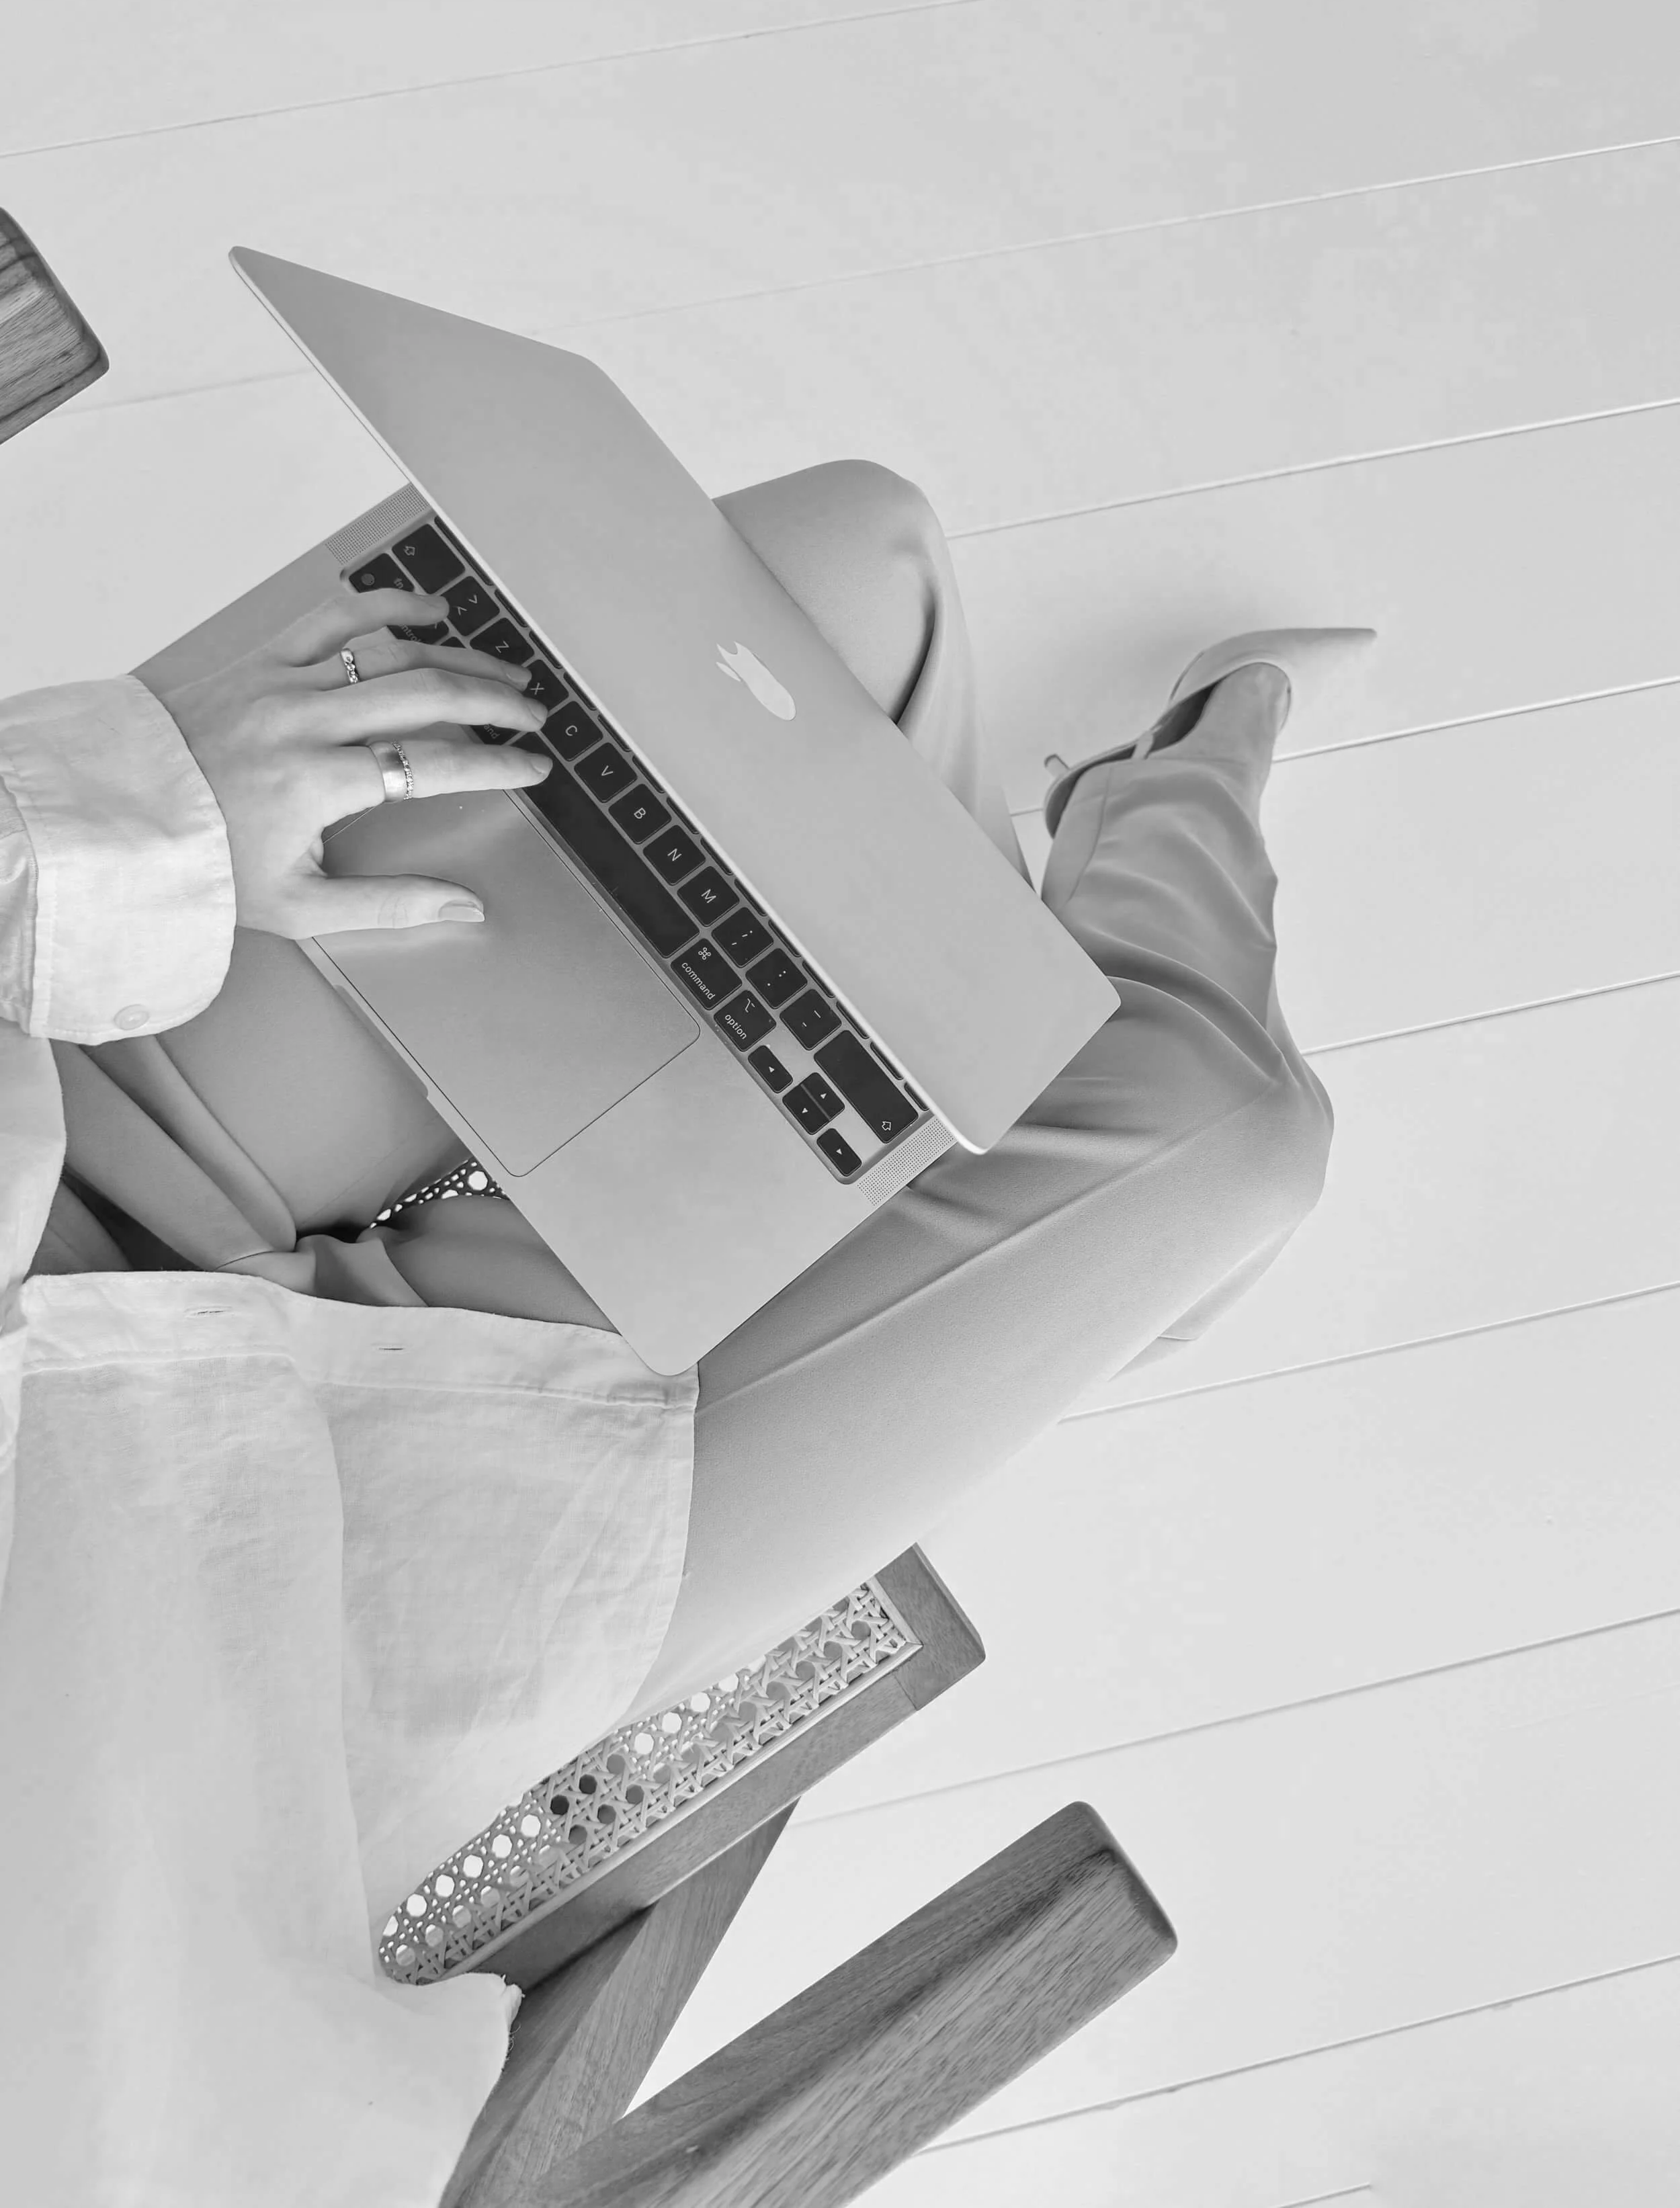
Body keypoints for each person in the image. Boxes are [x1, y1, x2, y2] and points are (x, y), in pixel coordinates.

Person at [0, 457, 1355, 2205]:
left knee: (831, 579)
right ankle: (1147, 823)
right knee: (1220, 1142)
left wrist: (72, 820)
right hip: (309, 1647)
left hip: (59, 1160)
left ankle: (987, 1115)